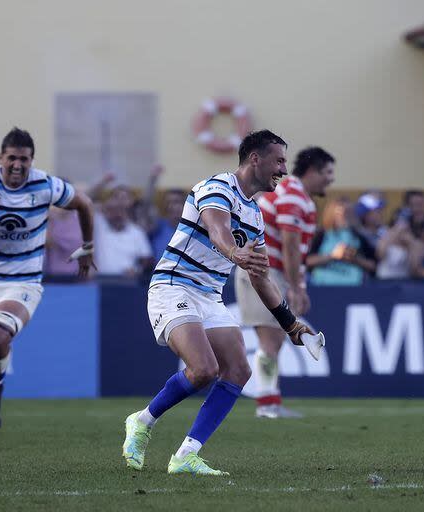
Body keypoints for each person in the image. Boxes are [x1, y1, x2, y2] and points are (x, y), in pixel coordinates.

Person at [121, 130, 318, 476]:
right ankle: (142, 421)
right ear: (255, 158)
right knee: (204, 369)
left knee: (239, 370)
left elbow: (261, 278)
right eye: (279, 161)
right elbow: (217, 229)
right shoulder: (216, 187)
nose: (284, 170)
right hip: (173, 286)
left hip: (208, 296)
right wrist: (233, 252)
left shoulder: (256, 215)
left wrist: (291, 324)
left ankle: (186, 455)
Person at [0, 127, 95, 434]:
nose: (18, 165)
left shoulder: (45, 184)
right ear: (0, 158)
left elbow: (84, 203)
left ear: (32, 160)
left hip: (23, 281)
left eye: (24, 159)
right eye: (12, 158)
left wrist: (87, 248)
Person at [235, 146, 335, 418]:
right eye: (328, 172)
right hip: (262, 271)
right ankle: (267, 405)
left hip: (268, 270)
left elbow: (294, 248)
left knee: (274, 339)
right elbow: (290, 245)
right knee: (269, 339)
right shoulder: (293, 195)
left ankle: (269, 401)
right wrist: (296, 286)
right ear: (312, 171)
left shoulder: (296, 194)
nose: (331, 179)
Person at [306, 198, 376, 285]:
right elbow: (307, 261)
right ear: (332, 214)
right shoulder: (321, 235)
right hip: (323, 286)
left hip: (352, 286)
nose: (344, 217)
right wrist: (332, 256)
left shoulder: (359, 236)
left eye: (349, 213)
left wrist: (355, 259)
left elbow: (373, 265)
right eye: (340, 213)